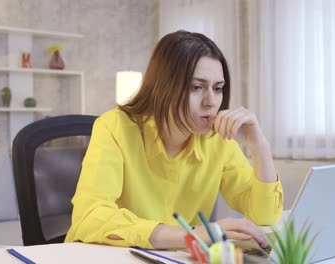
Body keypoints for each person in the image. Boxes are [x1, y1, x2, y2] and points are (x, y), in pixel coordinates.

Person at [65, 30, 283, 250]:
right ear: (164, 86)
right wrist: (192, 235)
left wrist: (260, 147)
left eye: (218, 89)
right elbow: (90, 216)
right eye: (197, 87)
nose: (211, 102)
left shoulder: (217, 139)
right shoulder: (114, 127)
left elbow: (264, 216)